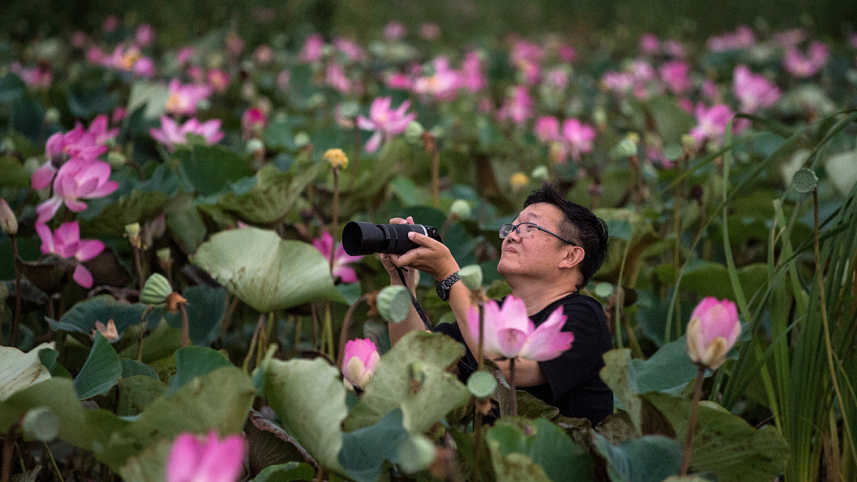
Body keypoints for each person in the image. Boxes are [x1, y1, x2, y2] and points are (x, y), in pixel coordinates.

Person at [380, 183, 613, 425]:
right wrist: (401, 280)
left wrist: (449, 275)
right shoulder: (496, 313)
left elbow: (508, 369)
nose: (512, 235)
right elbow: (414, 364)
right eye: (512, 227)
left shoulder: (585, 316)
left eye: (529, 227)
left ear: (570, 256)